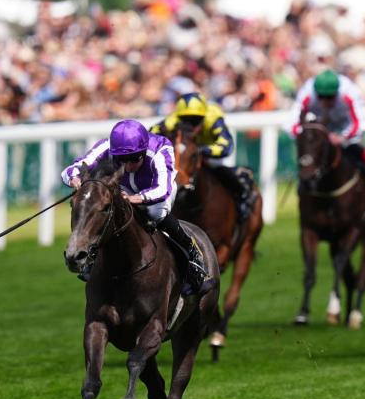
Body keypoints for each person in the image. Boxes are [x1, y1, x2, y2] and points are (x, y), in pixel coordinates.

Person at [61, 119, 214, 296]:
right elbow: (74, 167)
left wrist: (137, 198)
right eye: (121, 160)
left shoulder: (161, 149)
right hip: (124, 188)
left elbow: (163, 189)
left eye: (134, 159)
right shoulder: (107, 146)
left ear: (143, 151)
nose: (128, 166)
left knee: (155, 213)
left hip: (155, 190)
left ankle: (192, 254)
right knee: (107, 212)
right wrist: (74, 178)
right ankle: (93, 260)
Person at [151, 92, 256, 219]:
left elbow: (227, 146)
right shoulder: (173, 119)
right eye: (185, 121)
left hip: (209, 151)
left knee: (220, 168)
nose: (190, 125)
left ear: (203, 117)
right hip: (188, 152)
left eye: (195, 120)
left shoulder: (213, 118)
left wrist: (201, 151)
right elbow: (151, 133)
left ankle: (241, 199)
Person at [287, 69, 365, 199]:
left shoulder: (349, 92)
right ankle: (304, 191)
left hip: (344, 128)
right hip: (320, 128)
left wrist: (342, 138)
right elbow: (291, 125)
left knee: (361, 153)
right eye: (321, 97)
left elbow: (360, 124)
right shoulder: (307, 92)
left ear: (337, 92)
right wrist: (309, 136)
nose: (325, 102)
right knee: (308, 158)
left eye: (330, 97)